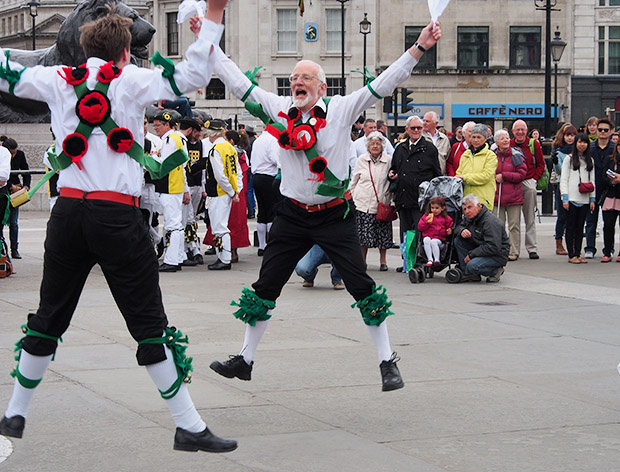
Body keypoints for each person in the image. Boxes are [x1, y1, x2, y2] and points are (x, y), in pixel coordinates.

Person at [0, 2, 237, 453]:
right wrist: (214, 13)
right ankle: (187, 425)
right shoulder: (131, 81)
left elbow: (5, 72)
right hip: (116, 217)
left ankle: (15, 411)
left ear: (82, 48)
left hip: (67, 214)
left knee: (50, 315)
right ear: (125, 52)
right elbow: (192, 76)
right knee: (148, 322)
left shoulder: (55, 80)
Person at [197, 16, 441, 392]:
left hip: (333, 215)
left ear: (322, 87)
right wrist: (208, 41)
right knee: (265, 286)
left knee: (361, 284)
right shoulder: (278, 109)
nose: (298, 82)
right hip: (292, 214)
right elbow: (236, 80)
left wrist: (420, 47)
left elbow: (386, 81)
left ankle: (387, 360)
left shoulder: (342, 109)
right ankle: (245, 359)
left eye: (306, 77)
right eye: (295, 77)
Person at [152, 112, 196, 272]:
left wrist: (151, 160)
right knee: (176, 224)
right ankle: (177, 257)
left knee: (173, 224)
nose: (155, 128)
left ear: (168, 125)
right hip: (175, 185)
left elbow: (166, 164)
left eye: (158, 125)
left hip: (169, 185)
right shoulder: (177, 139)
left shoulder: (170, 140)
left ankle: (172, 260)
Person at [389, 115, 441, 243]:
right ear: (407, 129)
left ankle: (418, 260)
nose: (416, 130)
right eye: (413, 128)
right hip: (403, 198)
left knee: (420, 232)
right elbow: (394, 168)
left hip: (421, 201)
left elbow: (436, 174)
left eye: (419, 128)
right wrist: (391, 175)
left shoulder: (430, 149)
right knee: (405, 233)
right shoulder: (400, 148)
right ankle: (407, 261)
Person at [203, 129, 250, 263]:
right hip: (231, 192)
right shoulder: (231, 150)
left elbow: (220, 176)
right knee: (224, 225)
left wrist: (231, 191)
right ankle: (226, 256)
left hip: (219, 192)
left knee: (220, 227)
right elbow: (238, 173)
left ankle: (224, 259)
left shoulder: (217, 149)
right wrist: (236, 191)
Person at [350, 131, 393, 271]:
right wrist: (352, 196)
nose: (375, 146)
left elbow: (392, 181)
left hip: (382, 202)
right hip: (363, 202)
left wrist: (391, 201)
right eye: (372, 144)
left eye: (378, 144)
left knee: (383, 235)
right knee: (363, 235)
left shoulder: (389, 160)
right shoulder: (361, 160)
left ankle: (383, 261)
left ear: (382, 146)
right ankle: (362, 261)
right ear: (367, 146)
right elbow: (354, 181)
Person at [510, 119, 545, 259]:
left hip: (528, 181)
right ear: (513, 132)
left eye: (522, 129)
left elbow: (541, 164)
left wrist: (534, 180)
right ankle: (514, 250)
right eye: (517, 130)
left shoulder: (533, 144)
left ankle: (532, 248)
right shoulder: (509, 144)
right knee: (514, 219)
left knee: (530, 217)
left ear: (526, 131)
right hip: (512, 183)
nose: (520, 132)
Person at [454, 194, 509, 283]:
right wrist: (462, 230)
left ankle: (495, 270)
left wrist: (472, 254)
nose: (467, 211)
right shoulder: (470, 218)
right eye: (464, 209)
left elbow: (493, 247)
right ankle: (469, 274)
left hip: (496, 255)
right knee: (458, 240)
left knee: (472, 266)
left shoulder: (490, 222)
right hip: (480, 247)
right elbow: (458, 227)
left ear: (479, 206)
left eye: (469, 207)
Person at [560, 133, 596, 263]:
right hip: (571, 198)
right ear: (575, 144)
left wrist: (592, 199)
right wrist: (565, 197)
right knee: (570, 227)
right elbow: (563, 179)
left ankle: (578, 252)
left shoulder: (590, 160)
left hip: (585, 198)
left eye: (585, 142)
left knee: (580, 227)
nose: (582, 145)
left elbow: (593, 180)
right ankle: (571, 255)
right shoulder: (568, 159)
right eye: (580, 142)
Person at [492, 129, 526, 261]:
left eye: (507, 138)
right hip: (497, 197)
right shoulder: (492, 155)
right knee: (498, 225)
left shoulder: (516, 155)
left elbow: (522, 174)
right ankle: (500, 250)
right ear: (496, 142)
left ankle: (514, 251)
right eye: (502, 138)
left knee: (514, 225)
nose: (506, 140)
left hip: (513, 197)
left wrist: (504, 176)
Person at [584, 117, 615, 258]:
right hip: (593, 188)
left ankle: (609, 249)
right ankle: (590, 248)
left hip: (610, 189)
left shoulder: (615, 148)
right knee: (590, 220)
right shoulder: (590, 148)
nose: (602, 132)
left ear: (611, 131)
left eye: (605, 130)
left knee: (609, 222)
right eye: (600, 129)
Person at [250, 130, 280, 256]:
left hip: (257, 176)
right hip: (268, 176)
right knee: (270, 211)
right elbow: (276, 159)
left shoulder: (258, 140)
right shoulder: (272, 140)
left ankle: (262, 245)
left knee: (262, 211)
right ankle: (270, 244)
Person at [455, 123, 498, 211]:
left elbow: (485, 176)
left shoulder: (490, 156)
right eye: (473, 137)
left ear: (485, 138)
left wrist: (465, 177)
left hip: (483, 200)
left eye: (479, 137)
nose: (475, 140)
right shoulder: (465, 155)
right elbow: (459, 173)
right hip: (467, 201)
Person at [551, 123, 577, 256]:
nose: (570, 138)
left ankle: (573, 242)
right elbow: (560, 171)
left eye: (573, 135)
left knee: (574, 216)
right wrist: (555, 161)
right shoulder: (559, 151)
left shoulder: (579, 150)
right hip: (563, 185)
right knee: (562, 216)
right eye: (568, 135)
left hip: (577, 186)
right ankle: (559, 242)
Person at [2, 137, 30, 259]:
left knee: (14, 222)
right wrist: (10, 186)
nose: (13, 156)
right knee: (2, 221)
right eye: (11, 153)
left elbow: (26, 171)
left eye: (15, 153)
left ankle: (15, 249)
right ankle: (3, 249)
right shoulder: (2, 155)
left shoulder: (20, 155)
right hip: (4, 190)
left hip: (16, 191)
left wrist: (26, 186)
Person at [417, 197, 453, 267]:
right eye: (432, 208)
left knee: (433, 241)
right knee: (426, 239)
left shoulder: (446, 218)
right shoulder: (427, 216)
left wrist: (449, 230)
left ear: (442, 208)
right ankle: (430, 259)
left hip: (439, 239)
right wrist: (426, 222)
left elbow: (449, 225)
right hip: (428, 236)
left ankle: (437, 259)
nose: (434, 210)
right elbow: (420, 228)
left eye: (437, 208)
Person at [599, 139, 620, 262]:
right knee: (608, 225)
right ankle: (607, 251)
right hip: (610, 196)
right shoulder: (610, 159)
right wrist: (612, 181)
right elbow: (603, 176)